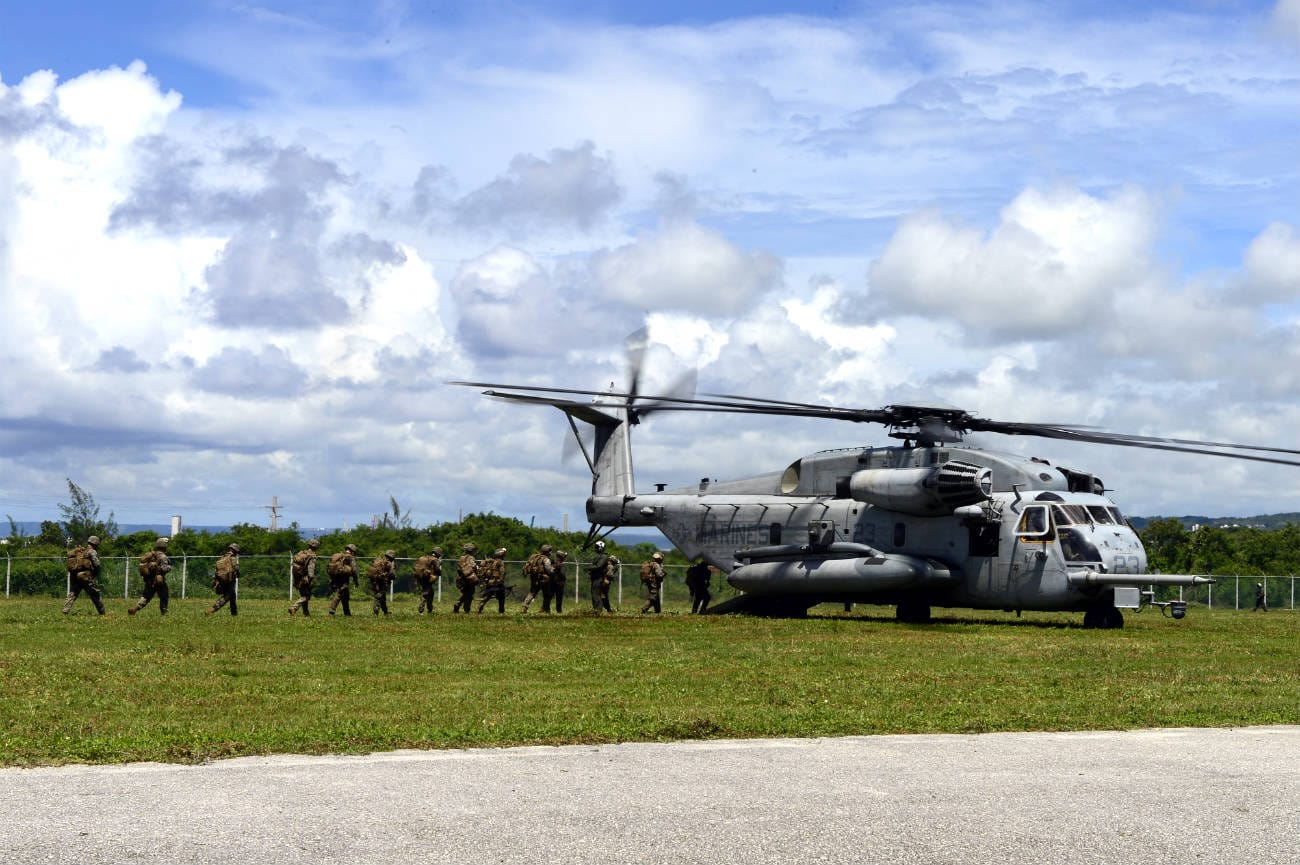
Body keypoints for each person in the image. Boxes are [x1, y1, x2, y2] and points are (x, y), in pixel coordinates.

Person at [63, 535, 106, 615]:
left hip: (76, 576)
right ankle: (102, 613)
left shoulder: (82, 551)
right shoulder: (92, 551)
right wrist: (97, 571)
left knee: (73, 594)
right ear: (96, 543)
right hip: (86, 577)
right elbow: (96, 564)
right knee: (95, 594)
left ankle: (65, 610)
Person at [129, 537, 172, 616]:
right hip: (159, 581)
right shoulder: (163, 556)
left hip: (149, 580)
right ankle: (164, 612)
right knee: (164, 596)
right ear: (164, 546)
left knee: (146, 596)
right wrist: (169, 567)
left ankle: (135, 608)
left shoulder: (153, 554)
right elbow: (164, 569)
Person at [288, 538, 320, 616]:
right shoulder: (312, 556)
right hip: (305, 579)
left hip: (298, 578)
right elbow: (311, 570)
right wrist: (311, 579)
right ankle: (294, 607)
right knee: (306, 596)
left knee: (304, 595)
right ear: (316, 547)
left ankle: (306, 613)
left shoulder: (302, 553)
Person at [207, 543, 241, 616]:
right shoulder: (232, 557)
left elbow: (216, 570)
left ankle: (234, 613)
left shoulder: (222, 557)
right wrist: (238, 573)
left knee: (233, 596)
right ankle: (212, 610)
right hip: (230, 580)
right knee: (226, 597)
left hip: (222, 580)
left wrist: (215, 580)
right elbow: (236, 568)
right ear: (235, 550)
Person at [327, 544, 360, 616]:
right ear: (352, 551)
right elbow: (354, 570)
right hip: (344, 578)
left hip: (336, 577)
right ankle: (331, 610)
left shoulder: (339, 556)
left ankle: (347, 613)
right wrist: (356, 581)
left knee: (345, 595)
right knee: (340, 593)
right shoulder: (350, 557)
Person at [520, 544, 555, 613]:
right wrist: (554, 569)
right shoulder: (546, 559)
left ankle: (524, 608)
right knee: (547, 595)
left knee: (532, 593)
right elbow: (549, 570)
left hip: (534, 579)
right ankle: (545, 609)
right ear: (547, 552)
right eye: (550, 551)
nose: (551, 553)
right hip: (544, 580)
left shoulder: (535, 557)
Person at [476, 547, 509, 614]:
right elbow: (502, 572)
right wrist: (501, 581)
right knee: (502, 597)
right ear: (501, 555)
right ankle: (501, 611)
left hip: (489, 582)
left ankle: (480, 606)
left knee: (487, 596)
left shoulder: (491, 562)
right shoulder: (500, 562)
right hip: (497, 583)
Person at [412, 546, 443, 614]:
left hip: (421, 577)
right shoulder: (435, 559)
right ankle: (421, 609)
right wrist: (439, 573)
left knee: (431, 592)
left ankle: (430, 609)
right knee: (425, 593)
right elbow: (437, 569)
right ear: (438, 554)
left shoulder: (426, 557)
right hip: (427, 578)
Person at [368, 550, 397, 615]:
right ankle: (376, 609)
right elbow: (392, 574)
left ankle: (385, 611)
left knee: (382, 597)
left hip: (375, 581)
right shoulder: (389, 563)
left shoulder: (378, 560)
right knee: (380, 595)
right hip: (383, 582)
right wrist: (392, 577)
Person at [453, 543, 479, 613]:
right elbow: (474, 567)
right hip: (470, 579)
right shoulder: (471, 558)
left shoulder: (461, 558)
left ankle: (458, 604)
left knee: (466, 593)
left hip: (462, 579)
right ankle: (466, 609)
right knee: (469, 594)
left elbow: (458, 569)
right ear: (471, 550)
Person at [586, 541, 612, 612]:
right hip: (596, 578)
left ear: (601, 548)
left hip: (599, 578)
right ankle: (596, 609)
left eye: (597, 547)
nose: (595, 549)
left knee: (596, 594)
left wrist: (589, 567)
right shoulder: (601, 556)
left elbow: (599, 566)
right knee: (594, 594)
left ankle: (598, 610)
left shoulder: (604, 557)